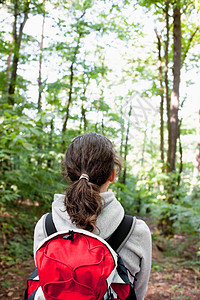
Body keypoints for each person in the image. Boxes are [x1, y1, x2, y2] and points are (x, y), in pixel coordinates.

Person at [33, 132, 152, 300]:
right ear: (112, 174)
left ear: (68, 173)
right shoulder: (136, 231)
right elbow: (138, 293)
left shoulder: (46, 226)